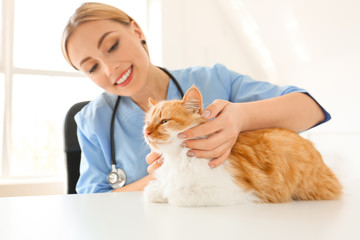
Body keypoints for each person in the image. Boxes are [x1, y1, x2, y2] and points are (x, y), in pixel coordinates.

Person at [61, 2, 330, 194]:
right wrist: (160, 177)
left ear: (137, 31)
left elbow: (312, 110)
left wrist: (240, 118)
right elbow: (91, 205)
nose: (110, 69)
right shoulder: (92, 121)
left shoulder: (214, 81)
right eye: (92, 68)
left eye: (112, 46)